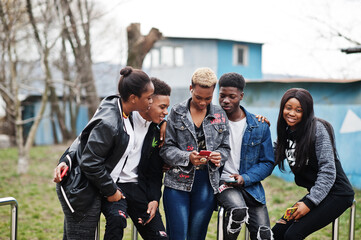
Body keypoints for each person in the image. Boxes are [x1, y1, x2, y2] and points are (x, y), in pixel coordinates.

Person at [53, 66, 154, 240]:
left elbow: (84, 137)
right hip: (81, 191)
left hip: (92, 187)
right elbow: (90, 163)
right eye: (148, 97)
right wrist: (111, 191)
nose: (151, 101)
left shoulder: (120, 106)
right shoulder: (109, 123)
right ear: (133, 98)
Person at [272, 88, 355, 240]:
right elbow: (271, 157)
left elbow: (328, 171)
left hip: (337, 194)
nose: (292, 113)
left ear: (307, 112)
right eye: (288, 108)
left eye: (298, 110)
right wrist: (258, 125)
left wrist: (309, 203)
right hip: (318, 193)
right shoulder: (286, 132)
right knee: (276, 233)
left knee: (292, 235)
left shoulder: (317, 130)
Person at [159, 67, 230, 240]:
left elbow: (226, 148)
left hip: (206, 184)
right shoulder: (176, 112)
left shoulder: (220, 114)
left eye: (208, 98)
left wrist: (219, 156)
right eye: (198, 97)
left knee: (197, 236)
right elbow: (166, 149)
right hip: (177, 183)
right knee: (178, 236)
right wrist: (188, 157)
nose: (203, 102)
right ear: (191, 89)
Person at [216, 72, 274, 240]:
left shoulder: (259, 126)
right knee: (237, 211)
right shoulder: (211, 122)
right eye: (222, 96)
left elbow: (267, 162)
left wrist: (245, 178)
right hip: (224, 184)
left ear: (241, 96)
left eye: (232, 96)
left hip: (251, 187)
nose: (226, 100)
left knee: (264, 235)